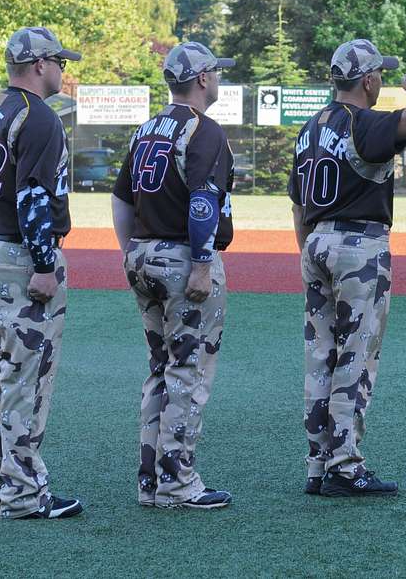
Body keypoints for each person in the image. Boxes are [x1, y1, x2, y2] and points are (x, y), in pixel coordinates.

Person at [290, 39, 406, 498]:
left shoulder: (310, 127)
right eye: (381, 77)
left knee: (320, 358)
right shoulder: (364, 121)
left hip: (315, 239)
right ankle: (346, 466)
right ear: (368, 80)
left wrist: (307, 251)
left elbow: (296, 203)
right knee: (356, 354)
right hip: (358, 244)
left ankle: (318, 465)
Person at [0, 26, 83, 519]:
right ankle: (25, 495)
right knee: (27, 379)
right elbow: (33, 199)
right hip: (20, 258)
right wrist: (45, 263)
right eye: (59, 62)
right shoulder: (39, 118)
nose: (62, 71)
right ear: (38, 66)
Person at [111, 42, 236, 509]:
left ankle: (151, 481)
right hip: (183, 259)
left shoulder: (147, 129)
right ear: (202, 79)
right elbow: (203, 201)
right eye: (216, 74)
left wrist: (132, 251)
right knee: (188, 372)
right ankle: (178, 484)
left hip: (144, 255)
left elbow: (121, 199)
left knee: (160, 370)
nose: (218, 80)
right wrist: (202, 264)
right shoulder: (203, 130)